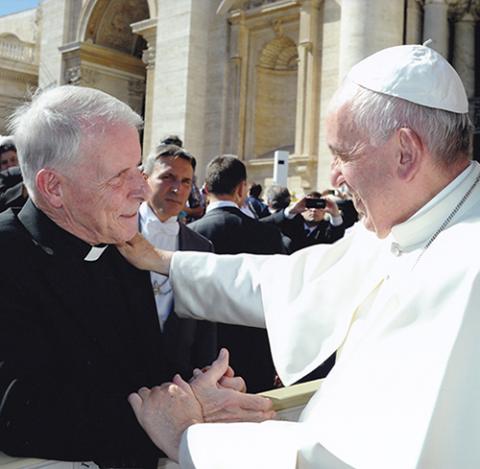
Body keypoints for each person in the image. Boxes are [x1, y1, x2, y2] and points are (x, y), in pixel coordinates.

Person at [119, 43, 480, 468]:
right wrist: (164, 262)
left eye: (344, 154)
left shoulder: (464, 272)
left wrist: (187, 436)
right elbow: (289, 281)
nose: (335, 177)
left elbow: (349, 459)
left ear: (405, 152)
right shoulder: (407, 223)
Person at [0, 85, 274, 468]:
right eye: (119, 176)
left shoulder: (119, 245)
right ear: (54, 187)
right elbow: (20, 416)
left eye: (139, 170)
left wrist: (196, 395)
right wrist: (173, 415)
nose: (143, 190)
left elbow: (148, 370)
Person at [189, 155, 285, 392]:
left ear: (205, 189)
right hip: (257, 349)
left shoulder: (190, 234)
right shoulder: (268, 234)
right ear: (242, 189)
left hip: (203, 358)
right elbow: (280, 297)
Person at [140, 143, 217, 379]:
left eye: (185, 182)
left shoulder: (201, 247)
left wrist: (204, 372)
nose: (177, 189)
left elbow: (205, 322)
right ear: (144, 179)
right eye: (168, 177)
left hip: (177, 378)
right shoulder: (114, 234)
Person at [262, 190, 345, 253]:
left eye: (318, 206)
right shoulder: (290, 222)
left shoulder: (327, 229)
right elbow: (262, 225)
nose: (313, 210)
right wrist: (291, 211)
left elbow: (337, 235)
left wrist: (335, 214)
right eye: (310, 206)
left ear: (324, 211)